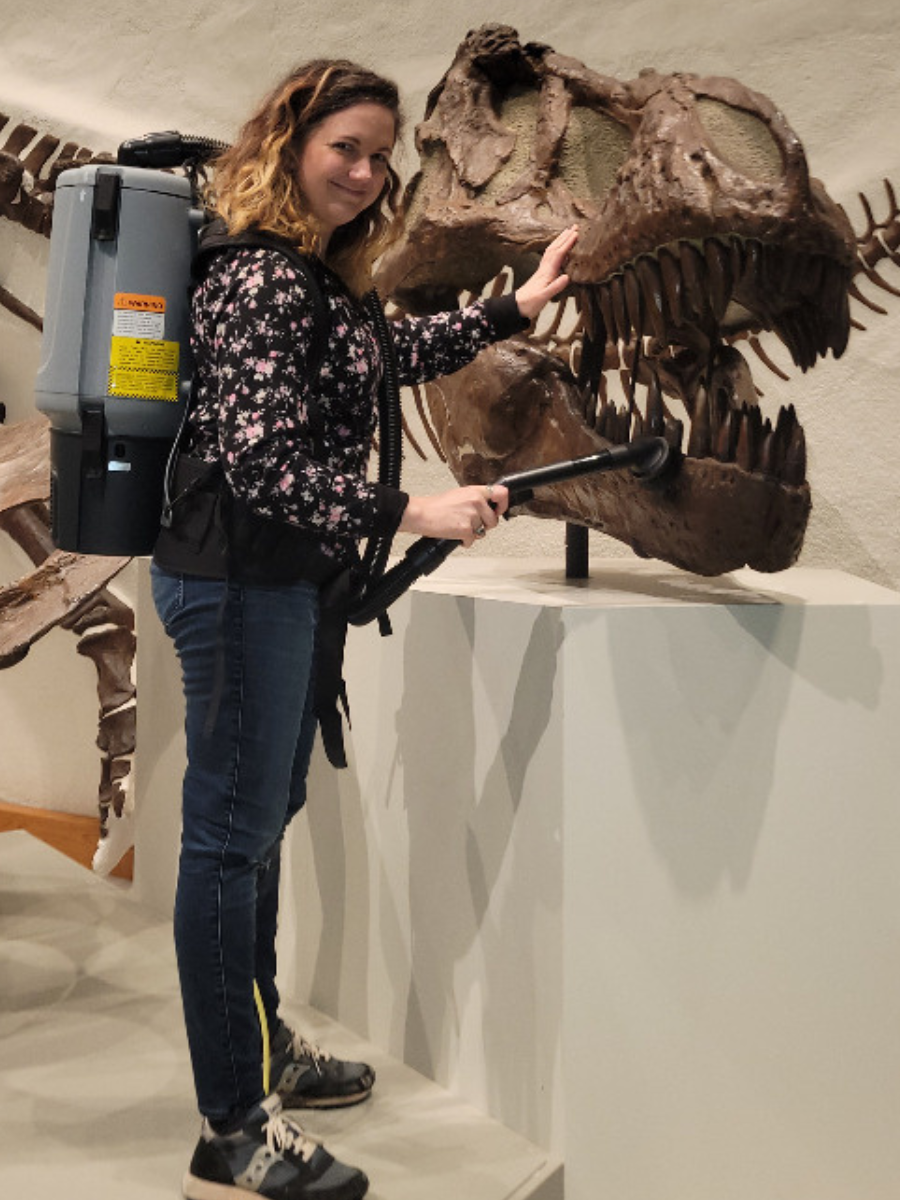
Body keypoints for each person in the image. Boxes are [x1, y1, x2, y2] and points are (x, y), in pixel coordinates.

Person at [150, 57, 578, 1200]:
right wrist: (414, 511)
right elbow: (259, 464)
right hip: (238, 583)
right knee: (228, 843)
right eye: (346, 147)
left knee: (255, 830)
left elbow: (381, 356)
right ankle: (232, 1129)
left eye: (381, 155)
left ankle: (261, 1050)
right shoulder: (259, 277)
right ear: (289, 143)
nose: (367, 172)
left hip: (280, 585)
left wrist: (512, 309)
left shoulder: (314, 279)